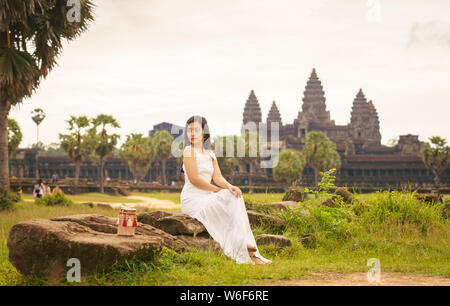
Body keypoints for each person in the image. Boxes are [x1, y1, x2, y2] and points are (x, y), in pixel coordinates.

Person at [180, 115, 271, 265]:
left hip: (208, 196)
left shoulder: (210, 153)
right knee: (226, 197)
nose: (192, 134)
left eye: (196, 130)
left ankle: (246, 247)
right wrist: (217, 191)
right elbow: (195, 179)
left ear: (204, 132)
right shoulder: (188, 151)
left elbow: (218, 177)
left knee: (235, 195)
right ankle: (242, 246)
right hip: (193, 199)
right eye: (189, 131)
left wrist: (230, 187)